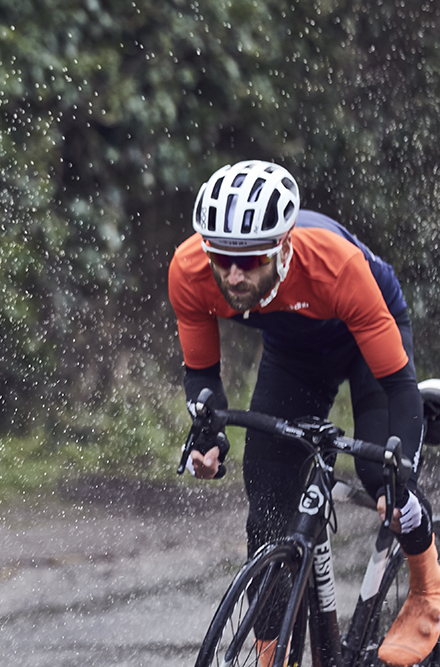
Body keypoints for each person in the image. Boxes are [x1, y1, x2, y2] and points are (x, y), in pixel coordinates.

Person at [168, 160, 440, 667]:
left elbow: (398, 387)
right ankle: (273, 654)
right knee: (268, 501)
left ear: (284, 248)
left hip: (366, 337)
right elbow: (202, 375)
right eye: (222, 257)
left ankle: (428, 590)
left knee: (381, 475)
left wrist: (398, 468)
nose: (233, 274)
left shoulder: (335, 265)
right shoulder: (190, 270)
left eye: (251, 260)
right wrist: (209, 436)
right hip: (295, 353)